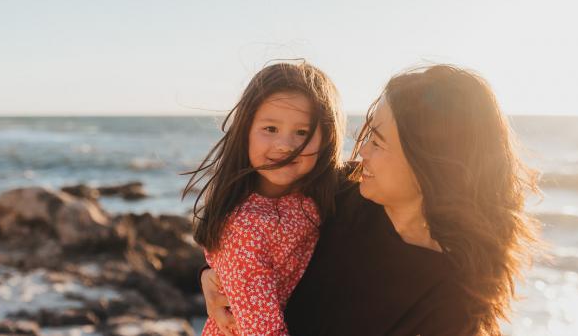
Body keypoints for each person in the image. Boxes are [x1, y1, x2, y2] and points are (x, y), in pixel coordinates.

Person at [202, 64, 541, 335]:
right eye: (366, 134)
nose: (361, 151)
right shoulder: (337, 195)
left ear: (427, 164)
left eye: (377, 141)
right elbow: (249, 231)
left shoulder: (453, 292)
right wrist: (213, 275)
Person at [183, 61, 346, 335]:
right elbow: (264, 332)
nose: (285, 145)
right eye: (270, 129)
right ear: (245, 131)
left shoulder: (315, 194)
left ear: (326, 139)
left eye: (302, 132)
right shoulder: (244, 228)